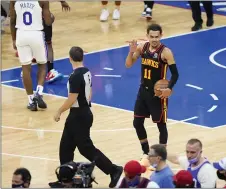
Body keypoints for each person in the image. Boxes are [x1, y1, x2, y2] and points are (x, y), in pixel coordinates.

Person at [53, 46, 123, 188]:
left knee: (85, 148)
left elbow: (72, 98)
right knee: (66, 147)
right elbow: (89, 92)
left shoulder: (75, 76)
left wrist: (59, 111)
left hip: (79, 115)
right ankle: (66, 179)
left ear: (70, 58)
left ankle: (113, 169)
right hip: (81, 113)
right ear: (82, 57)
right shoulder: (86, 72)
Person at [125, 23, 179, 156]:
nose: (154, 39)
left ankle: (161, 156)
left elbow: (175, 74)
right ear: (147, 36)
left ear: (161, 35)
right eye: (152, 36)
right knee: (137, 123)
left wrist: (169, 89)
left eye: (157, 36)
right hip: (143, 91)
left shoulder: (166, 52)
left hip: (158, 93)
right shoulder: (142, 47)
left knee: (161, 126)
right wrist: (131, 52)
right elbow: (128, 64)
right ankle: (146, 153)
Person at [10, 1, 52, 111]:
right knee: (42, 65)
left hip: (21, 34)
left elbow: (12, 20)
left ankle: (31, 101)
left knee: (25, 68)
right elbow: (48, 21)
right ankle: (39, 92)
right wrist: (52, 17)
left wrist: (13, 39)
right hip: (36, 34)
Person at [18, 1, 70, 83]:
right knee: (48, 44)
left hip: (26, 21)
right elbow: (48, 20)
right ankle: (50, 71)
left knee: (30, 41)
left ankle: (25, 69)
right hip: (40, 19)